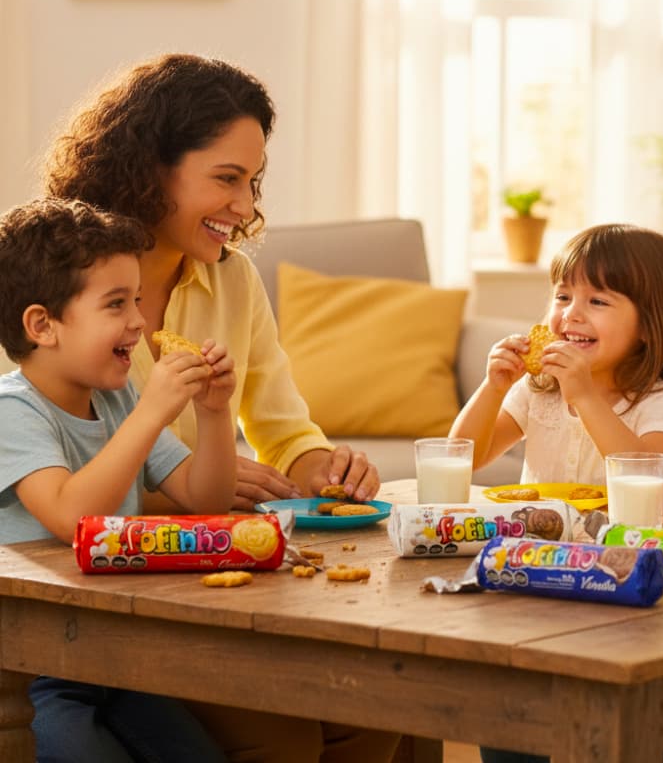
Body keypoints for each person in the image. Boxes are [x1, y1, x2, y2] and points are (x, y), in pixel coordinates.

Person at [42, 53, 400, 762]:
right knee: (290, 738)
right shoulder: (51, 288)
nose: (245, 206)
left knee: (375, 712)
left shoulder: (231, 280)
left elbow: (284, 428)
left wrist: (327, 470)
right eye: (226, 179)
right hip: (104, 585)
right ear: (150, 171)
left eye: (253, 181)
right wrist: (191, 482)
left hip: (213, 574)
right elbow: (40, 462)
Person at [0, 197, 235, 763]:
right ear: (43, 325)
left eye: (137, 300)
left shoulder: (117, 397)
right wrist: (152, 411)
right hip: (34, 670)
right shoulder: (12, 412)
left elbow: (206, 498)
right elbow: (70, 519)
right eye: (115, 304)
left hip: (115, 656)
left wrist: (214, 412)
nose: (139, 320)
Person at [451, 223, 663, 509]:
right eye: (563, 297)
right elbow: (461, 460)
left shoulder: (661, 401)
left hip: (626, 545)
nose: (571, 314)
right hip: (539, 546)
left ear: (648, 325)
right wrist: (492, 389)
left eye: (598, 301)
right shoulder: (539, 389)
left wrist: (584, 397)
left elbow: (651, 480)